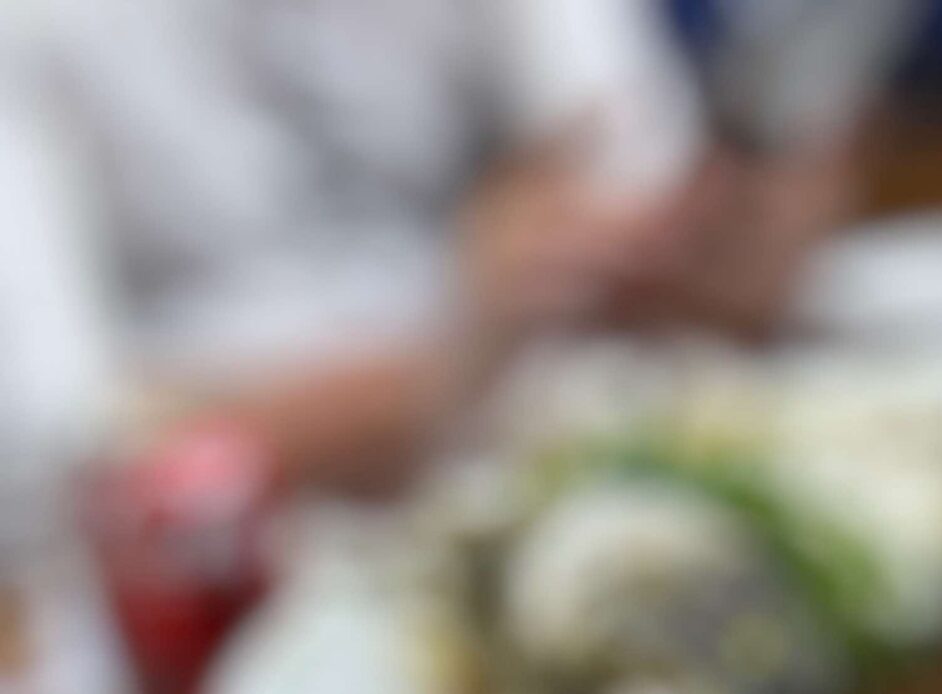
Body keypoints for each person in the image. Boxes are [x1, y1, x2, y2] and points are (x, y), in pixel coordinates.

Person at [0, 0, 849, 490]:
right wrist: (444, 359)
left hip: (540, 471)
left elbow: (642, 197)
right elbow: (68, 461)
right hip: (222, 596)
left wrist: (728, 235)